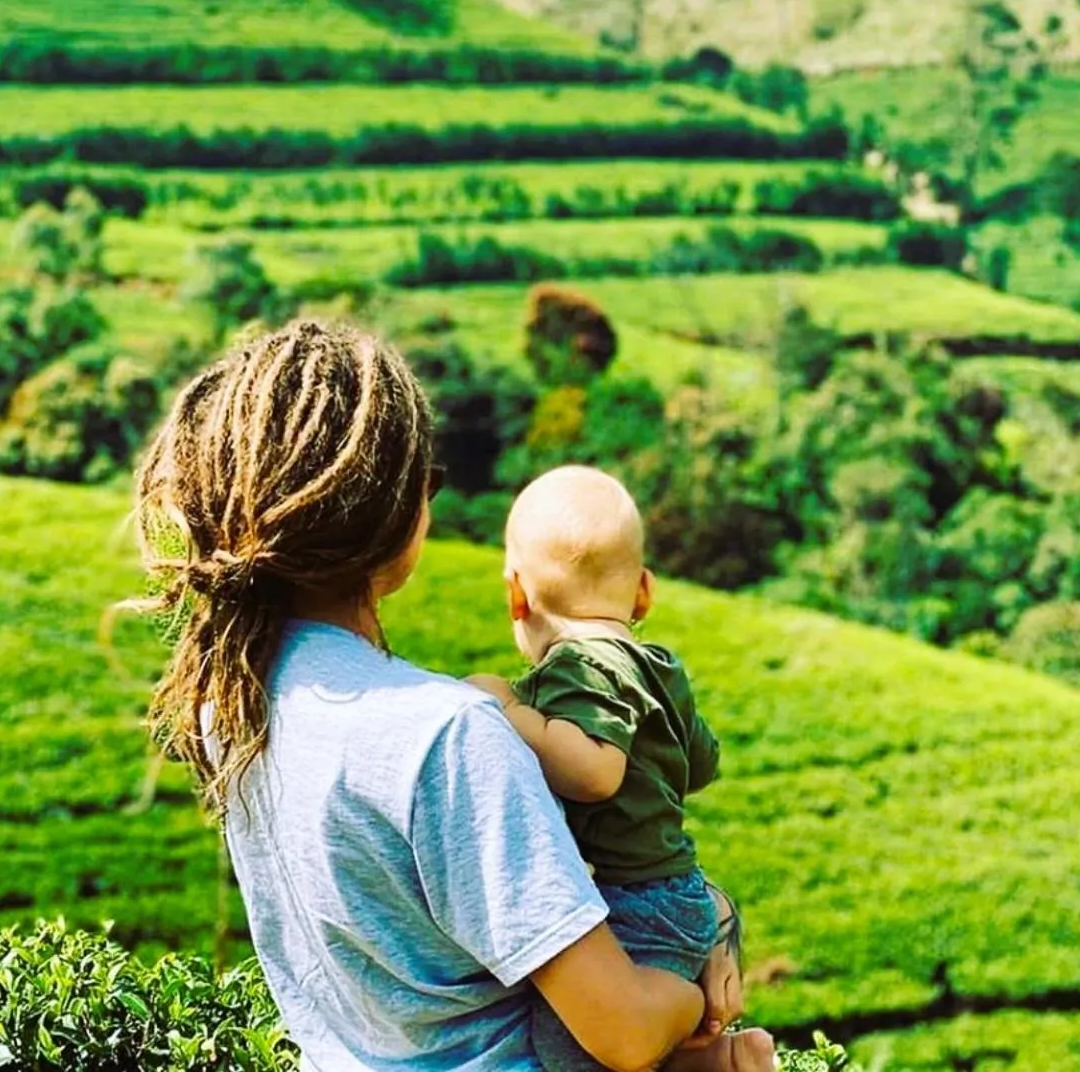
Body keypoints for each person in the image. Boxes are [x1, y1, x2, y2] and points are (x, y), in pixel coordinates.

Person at [131, 320, 748, 1072]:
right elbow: (619, 1029)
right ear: (402, 514)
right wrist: (694, 988)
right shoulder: (450, 736)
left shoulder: (229, 703)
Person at [468, 466, 772, 1072]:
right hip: (678, 889)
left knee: (569, 1048)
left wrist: (508, 710)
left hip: (637, 902)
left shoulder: (577, 668)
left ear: (516, 595)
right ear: (643, 593)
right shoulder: (659, 665)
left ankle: (699, 1035)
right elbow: (702, 763)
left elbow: (595, 772)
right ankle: (726, 1060)